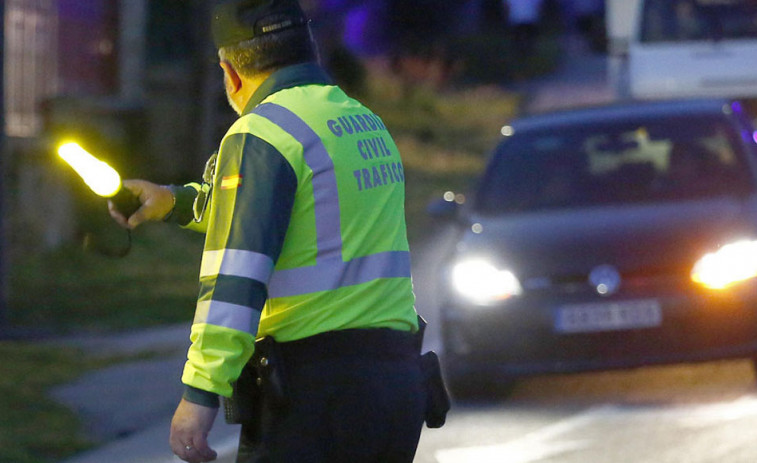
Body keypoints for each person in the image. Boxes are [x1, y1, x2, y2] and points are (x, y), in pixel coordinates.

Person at [108, 1, 431, 461]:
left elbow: (235, 278)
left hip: (315, 393)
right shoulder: (361, 121)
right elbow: (293, 213)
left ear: (231, 72)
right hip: (394, 385)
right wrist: (177, 202)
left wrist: (200, 394)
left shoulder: (262, 133)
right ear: (309, 49)